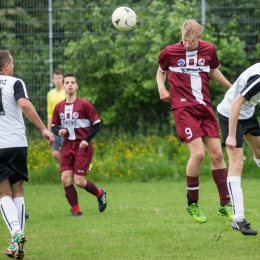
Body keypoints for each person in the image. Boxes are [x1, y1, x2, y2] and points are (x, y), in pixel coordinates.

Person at [156, 19, 232, 223]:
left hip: (204, 107)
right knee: (198, 154)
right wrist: (161, 87)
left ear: (200, 38)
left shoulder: (209, 49)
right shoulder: (170, 52)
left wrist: (231, 88)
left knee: (217, 154)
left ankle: (225, 204)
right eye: (183, 40)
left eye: (190, 41)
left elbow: (214, 71)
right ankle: (192, 204)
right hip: (183, 108)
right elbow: (161, 72)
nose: (186, 45)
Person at [0, 50, 54, 259]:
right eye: (11, 63)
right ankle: (18, 245)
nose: (13, 66)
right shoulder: (15, 82)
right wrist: (43, 128)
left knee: (3, 193)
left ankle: (16, 232)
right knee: (17, 191)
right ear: (6, 66)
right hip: (16, 143)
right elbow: (24, 104)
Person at [52, 73, 107, 216]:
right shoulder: (59, 107)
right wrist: (59, 131)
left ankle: (100, 194)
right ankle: (77, 211)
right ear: (63, 85)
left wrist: (86, 140)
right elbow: (54, 126)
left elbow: (97, 124)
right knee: (65, 178)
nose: (70, 85)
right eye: (67, 82)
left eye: (72, 82)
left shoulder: (85, 104)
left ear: (77, 85)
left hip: (82, 146)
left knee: (79, 181)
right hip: (67, 146)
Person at [217, 63, 260, 235]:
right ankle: (238, 219)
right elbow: (236, 103)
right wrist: (232, 135)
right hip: (230, 114)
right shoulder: (259, 79)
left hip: (248, 113)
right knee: (237, 164)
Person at [47, 69, 66, 162]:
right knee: (55, 153)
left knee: (67, 151)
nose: (57, 80)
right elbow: (49, 113)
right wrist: (48, 130)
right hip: (55, 126)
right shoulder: (50, 94)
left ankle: (71, 172)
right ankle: (67, 169)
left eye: (59, 78)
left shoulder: (67, 92)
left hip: (65, 126)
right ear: (52, 80)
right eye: (55, 78)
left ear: (63, 79)